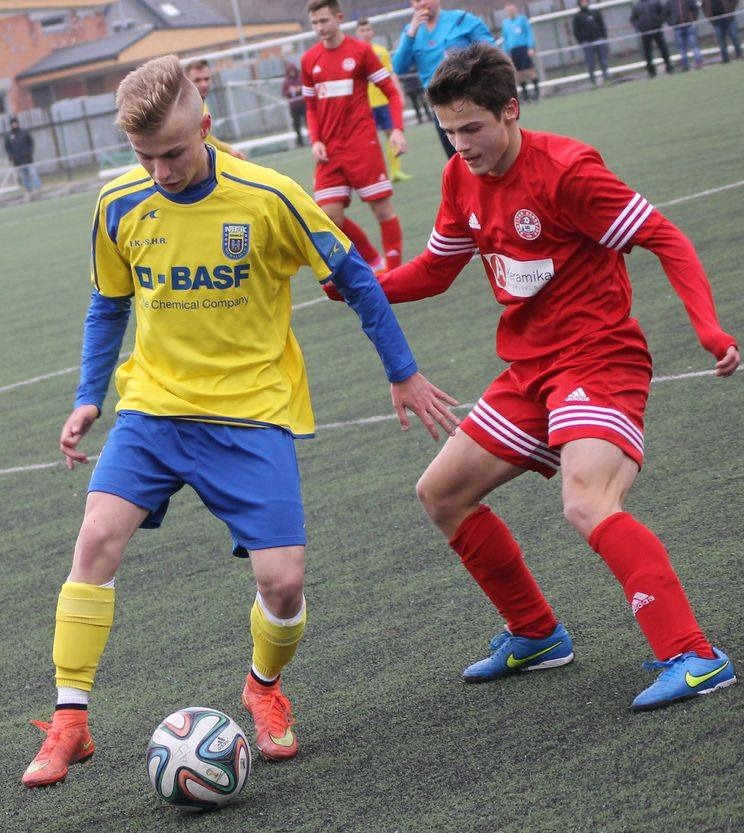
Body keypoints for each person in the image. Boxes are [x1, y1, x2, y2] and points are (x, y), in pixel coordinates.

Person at [21, 53, 457, 789]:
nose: (160, 171)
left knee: (283, 581)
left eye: (172, 152)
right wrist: (90, 394)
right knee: (95, 539)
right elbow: (108, 302)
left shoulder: (269, 196)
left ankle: (263, 687)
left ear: (206, 127)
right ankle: (70, 720)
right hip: (154, 408)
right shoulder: (119, 202)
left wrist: (403, 371)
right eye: (144, 156)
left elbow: (355, 278)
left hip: (250, 413)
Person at [330, 42, 740, 712]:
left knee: (586, 501)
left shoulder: (568, 172)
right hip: (531, 369)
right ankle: (537, 634)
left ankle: (694, 655)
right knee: (440, 494)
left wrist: (708, 327)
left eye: (472, 128)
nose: (461, 144)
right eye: (449, 131)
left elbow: (665, 237)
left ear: (511, 110)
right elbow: (435, 270)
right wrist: (360, 286)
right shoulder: (460, 177)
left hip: (600, 357)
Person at [302, 0, 406, 272]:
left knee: (382, 209)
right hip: (329, 150)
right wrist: (316, 140)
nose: (319, 27)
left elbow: (392, 92)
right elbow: (311, 107)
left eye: (324, 21)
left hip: (362, 145)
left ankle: (395, 273)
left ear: (339, 18)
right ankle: (376, 263)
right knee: (328, 216)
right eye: (314, 23)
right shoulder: (309, 60)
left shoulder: (361, 51)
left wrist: (397, 129)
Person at [392, 0, 494, 159]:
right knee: (458, 159)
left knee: (488, 154)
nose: (422, 3)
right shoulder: (411, 32)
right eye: (416, 0)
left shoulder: (461, 19)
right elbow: (398, 67)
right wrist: (410, 34)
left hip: (473, 98)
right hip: (440, 106)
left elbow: (492, 52)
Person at [356, 17, 412, 182]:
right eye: (362, 30)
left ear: (372, 31)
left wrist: (399, 94)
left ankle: (395, 172)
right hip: (365, 105)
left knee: (391, 135)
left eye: (368, 30)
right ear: (357, 33)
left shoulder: (381, 51)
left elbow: (391, 74)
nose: (365, 33)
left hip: (384, 101)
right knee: (368, 141)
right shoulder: (356, 53)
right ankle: (374, 176)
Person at [185, 58, 246, 159]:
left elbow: (208, 139)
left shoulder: (202, 104)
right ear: (187, 82)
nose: (204, 84)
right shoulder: (184, 109)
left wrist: (230, 150)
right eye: (197, 80)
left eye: (206, 79)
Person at [501, 4, 540, 103]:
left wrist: (530, 47)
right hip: (513, 50)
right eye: (508, 10)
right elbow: (505, 39)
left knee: (530, 70)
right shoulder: (505, 23)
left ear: (516, 10)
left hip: (523, 48)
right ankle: (525, 96)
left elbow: (528, 33)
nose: (510, 12)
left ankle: (536, 93)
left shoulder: (522, 20)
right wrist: (506, 53)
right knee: (518, 73)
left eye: (512, 10)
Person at [630, 0, 676, 76]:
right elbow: (633, 19)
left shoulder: (656, 2)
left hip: (657, 30)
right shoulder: (636, 6)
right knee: (647, 53)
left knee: (663, 49)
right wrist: (640, 26)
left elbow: (663, 12)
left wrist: (659, 22)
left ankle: (669, 67)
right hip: (645, 32)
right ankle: (651, 71)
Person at [572, 0, 611, 85]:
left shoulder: (595, 12)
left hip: (599, 39)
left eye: (585, 1)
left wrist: (604, 37)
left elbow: (602, 25)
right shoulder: (577, 17)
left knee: (603, 60)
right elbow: (576, 31)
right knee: (590, 62)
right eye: (582, 2)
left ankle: (606, 77)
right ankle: (592, 80)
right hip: (587, 42)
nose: (584, 3)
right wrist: (581, 41)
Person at [3, 117, 41, 198]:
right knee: (24, 177)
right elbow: (7, 148)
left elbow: (31, 142)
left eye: (15, 123)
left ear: (18, 123)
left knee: (33, 173)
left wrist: (29, 152)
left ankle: (38, 189)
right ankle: (29, 190)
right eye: (12, 123)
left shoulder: (24, 132)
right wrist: (11, 156)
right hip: (17, 161)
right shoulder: (8, 135)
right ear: (10, 125)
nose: (14, 124)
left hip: (28, 159)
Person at [664, 0, 704, 69]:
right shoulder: (669, 2)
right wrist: (671, 23)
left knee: (694, 45)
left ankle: (699, 62)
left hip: (689, 26)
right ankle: (685, 65)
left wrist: (694, 19)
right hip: (678, 28)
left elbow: (695, 9)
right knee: (682, 47)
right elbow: (665, 14)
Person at [282, 61, 307, 147]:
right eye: (290, 71)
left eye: (293, 71)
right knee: (296, 125)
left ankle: (313, 139)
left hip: (303, 104)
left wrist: (299, 89)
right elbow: (284, 92)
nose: (292, 73)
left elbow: (307, 86)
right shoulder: (286, 81)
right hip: (294, 106)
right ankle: (300, 142)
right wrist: (290, 91)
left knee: (308, 122)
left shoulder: (301, 78)